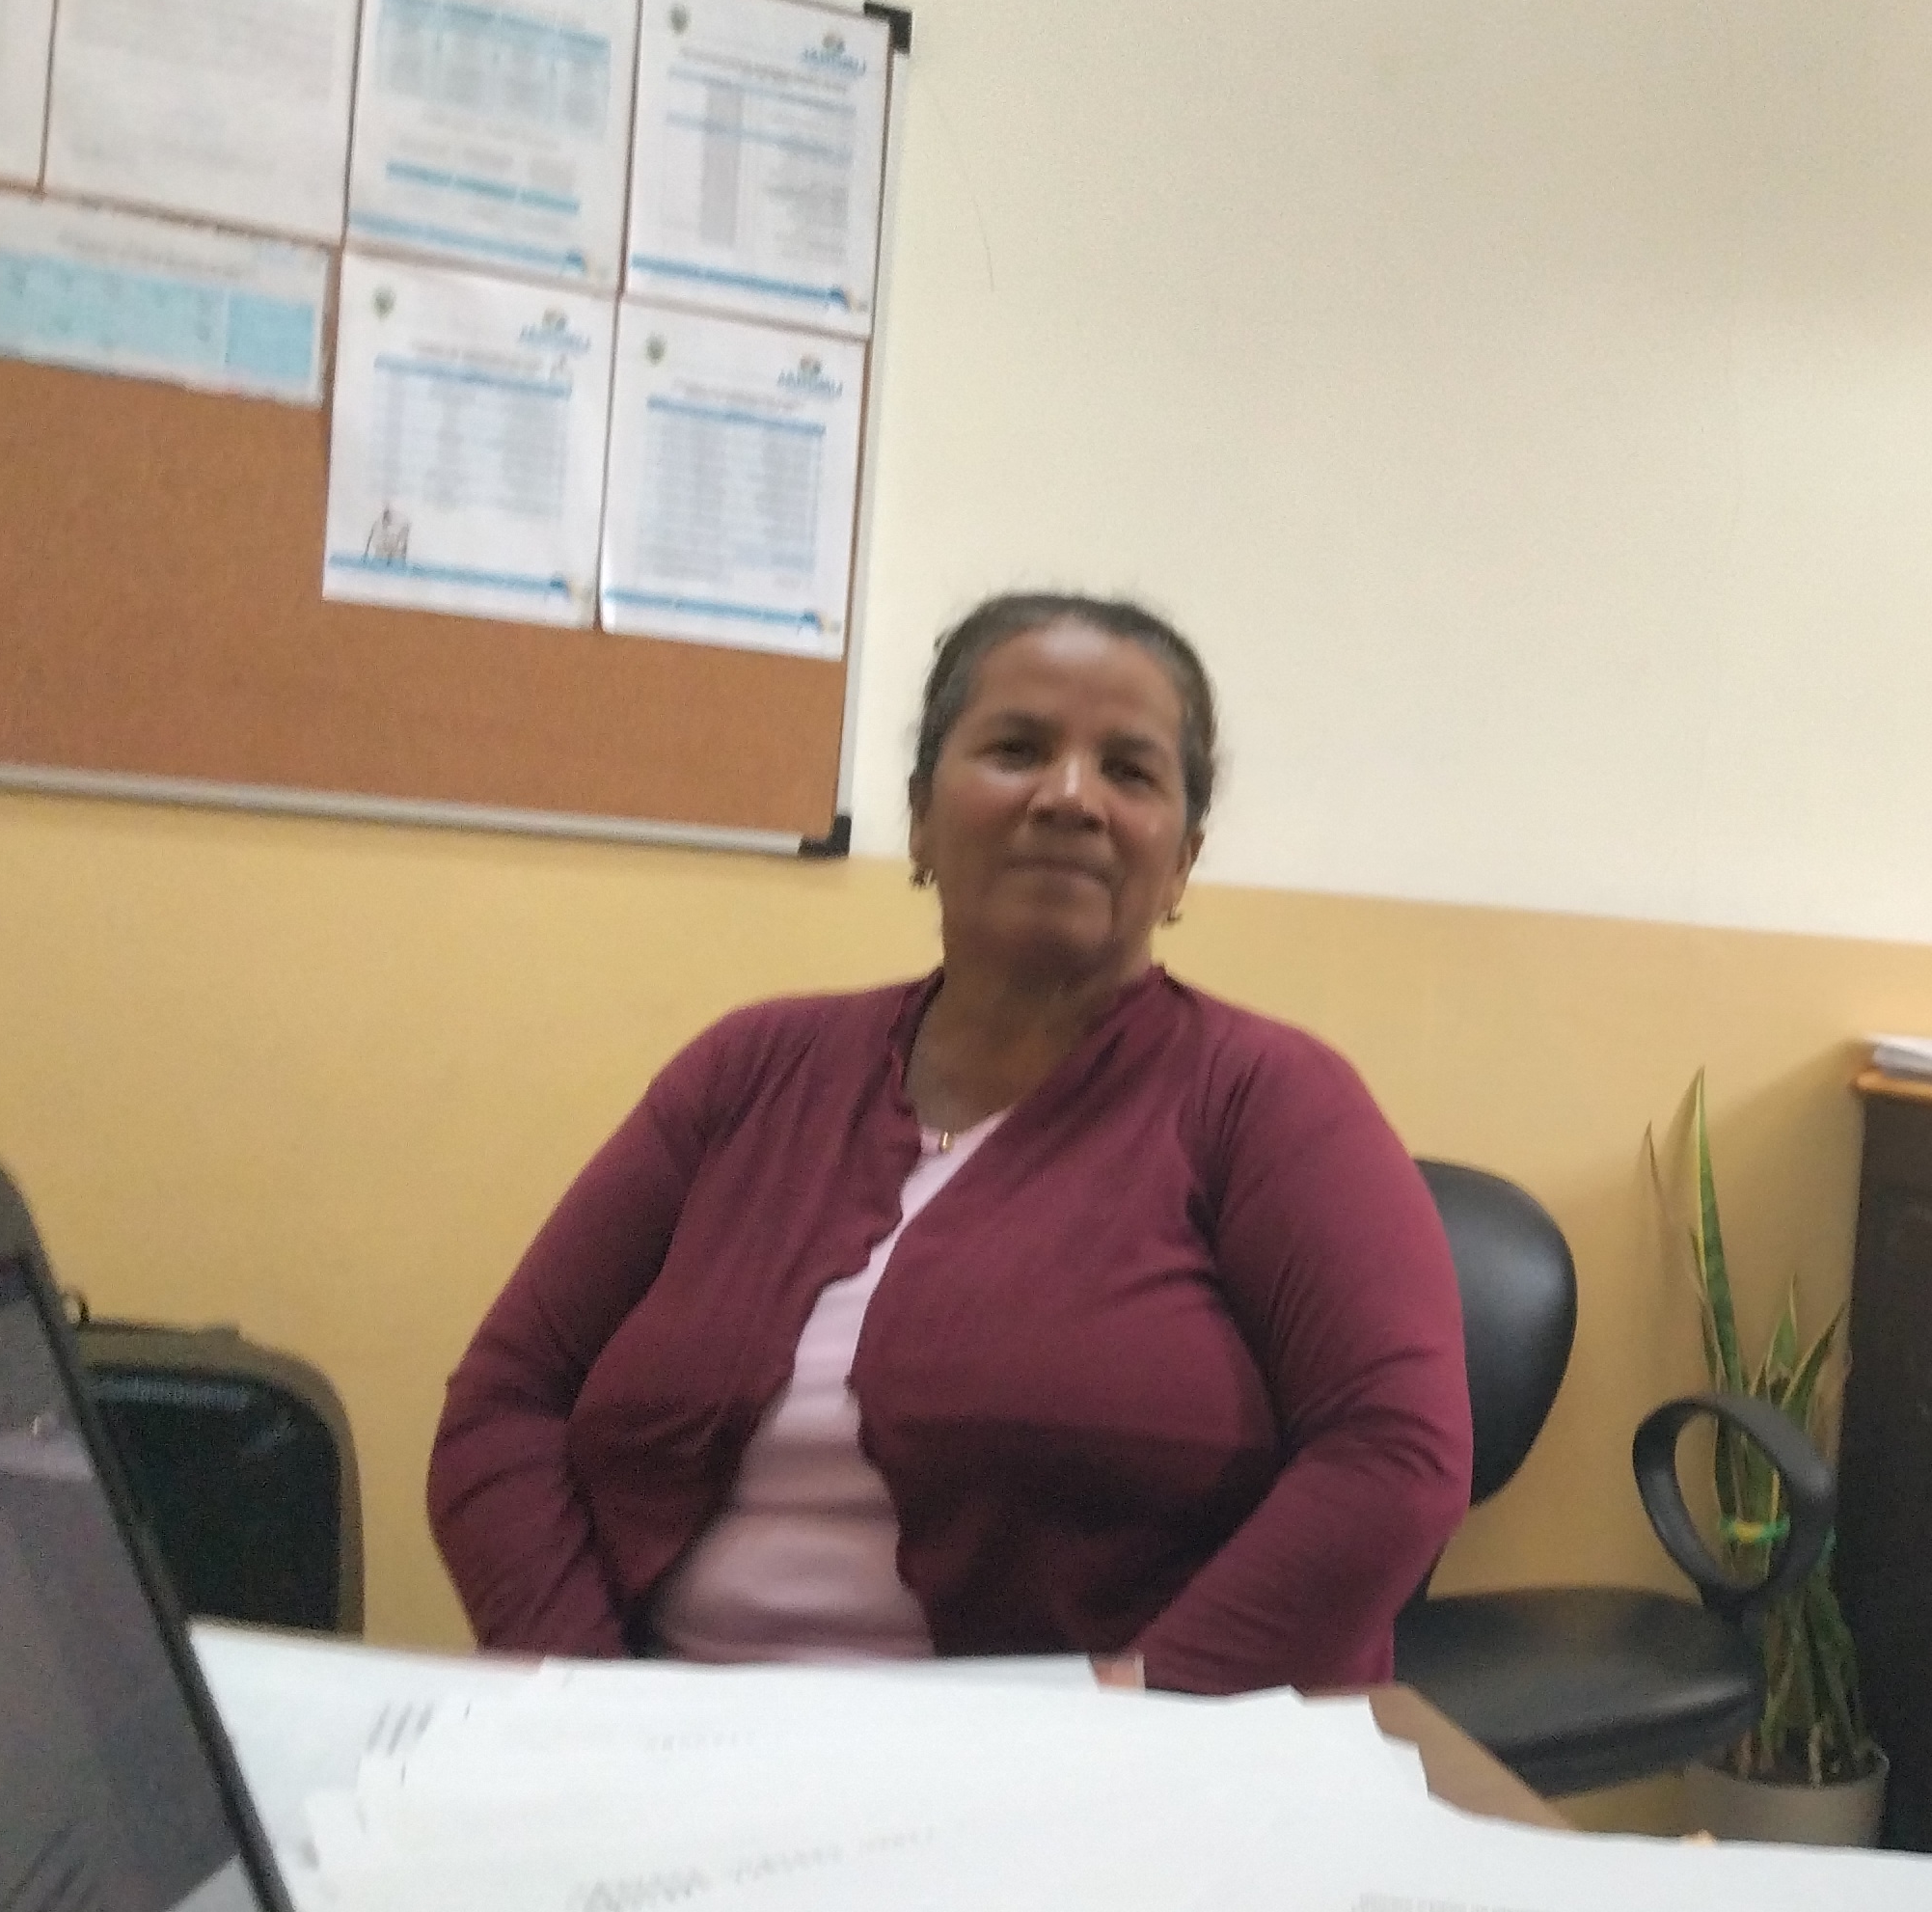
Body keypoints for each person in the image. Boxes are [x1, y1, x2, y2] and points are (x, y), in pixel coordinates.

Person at [429, 592, 1471, 1691]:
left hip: (1092, 1760)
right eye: (1017, 749)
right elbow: (507, 1401)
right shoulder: (748, 1071)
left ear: (1181, 861)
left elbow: (1394, 1457)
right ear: (921, 818)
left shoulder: (1270, 1101)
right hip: (653, 1732)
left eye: (1129, 771)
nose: (1069, 798)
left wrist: (1133, 1717)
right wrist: (583, 1703)